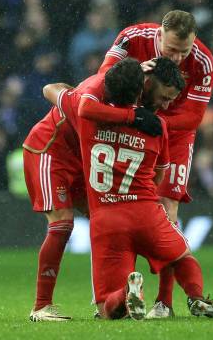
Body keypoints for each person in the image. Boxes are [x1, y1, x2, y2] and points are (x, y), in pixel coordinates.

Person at [46, 57, 213, 319]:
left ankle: (126, 293)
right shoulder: (157, 127)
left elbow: (51, 90)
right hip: (145, 211)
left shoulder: (86, 114)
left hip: (106, 218)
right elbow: (158, 175)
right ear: (143, 88)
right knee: (181, 256)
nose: (166, 104)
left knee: (106, 309)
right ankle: (196, 298)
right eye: (166, 97)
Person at [24, 60, 162, 322]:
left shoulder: (122, 88)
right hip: (49, 152)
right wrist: (133, 117)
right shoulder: (85, 99)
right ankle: (41, 307)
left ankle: (108, 296)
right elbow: (50, 89)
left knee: (111, 221)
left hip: (81, 160)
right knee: (62, 225)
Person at [98, 10, 213, 318]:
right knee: (127, 207)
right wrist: (136, 71)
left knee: (167, 209)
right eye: (171, 50)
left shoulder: (203, 61)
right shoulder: (133, 37)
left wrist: (154, 121)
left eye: (184, 51)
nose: (177, 57)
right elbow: (104, 77)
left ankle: (164, 302)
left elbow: (193, 117)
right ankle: (122, 292)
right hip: (130, 126)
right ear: (159, 35)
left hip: (172, 135)